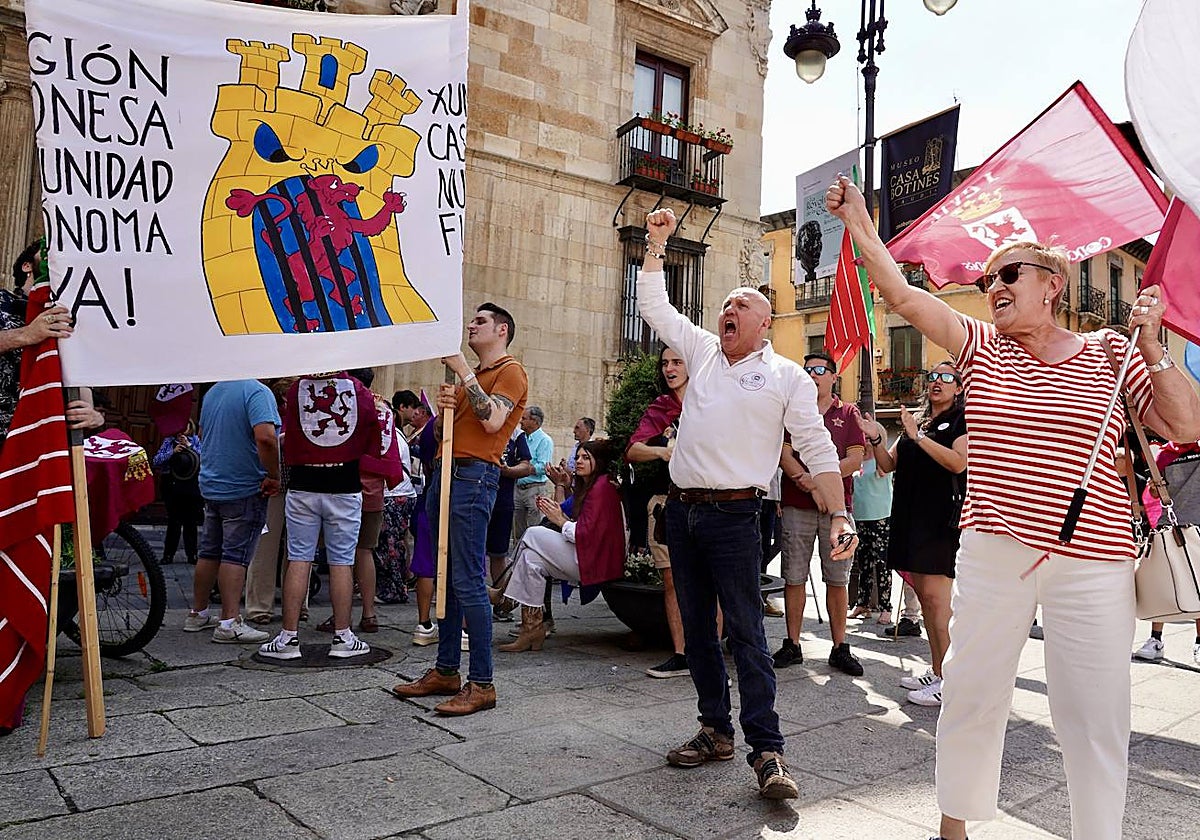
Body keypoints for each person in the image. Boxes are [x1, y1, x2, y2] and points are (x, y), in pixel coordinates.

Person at [827, 175, 1200, 840]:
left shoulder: (1112, 351)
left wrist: (1152, 348)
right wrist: (860, 223)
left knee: (1095, 716)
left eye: (1008, 274)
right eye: (987, 279)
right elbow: (903, 294)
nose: (993, 286)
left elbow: (1186, 424)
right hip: (995, 552)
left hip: (1096, 561)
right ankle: (953, 830)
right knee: (972, 693)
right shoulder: (980, 345)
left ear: (1052, 284)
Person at [639, 207, 857, 800]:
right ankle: (715, 730)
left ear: (764, 323)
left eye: (740, 305)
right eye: (725, 305)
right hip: (683, 512)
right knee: (698, 633)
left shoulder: (786, 376)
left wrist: (839, 512)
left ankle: (767, 751)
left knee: (746, 633)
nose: (727, 311)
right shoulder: (702, 349)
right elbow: (654, 306)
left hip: (737, 516)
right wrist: (657, 245)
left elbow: (816, 446)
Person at [392, 302, 528, 717]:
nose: (471, 324)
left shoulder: (510, 371)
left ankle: (482, 682)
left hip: (474, 477)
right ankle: (447, 670)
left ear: (502, 330)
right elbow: (440, 435)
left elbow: (493, 421)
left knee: (468, 579)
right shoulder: (478, 378)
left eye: (480, 321)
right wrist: (444, 414)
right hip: (447, 474)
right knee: (447, 577)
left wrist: (463, 372)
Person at [862, 363, 967, 707]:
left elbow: (958, 462)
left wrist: (919, 437)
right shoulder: (918, 421)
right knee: (925, 600)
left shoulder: (960, 420)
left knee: (938, 604)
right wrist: (876, 437)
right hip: (911, 518)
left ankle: (951, 682)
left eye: (947, 377)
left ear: (958, 387)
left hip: (939, 521)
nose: (938, 382)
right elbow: (887, 465)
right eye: (933, 376)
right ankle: (938, 671)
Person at [259, 372, 380, 660]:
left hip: (304, 483)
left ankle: (288, 637)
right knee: (342, 561)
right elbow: (372, 437)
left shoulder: (297, 389)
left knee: (299, 558)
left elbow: (289, 433)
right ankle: (342, 636)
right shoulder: (359, 390)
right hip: (344, 482)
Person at [773, 351, 866, 676]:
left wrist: (820, 481)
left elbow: (855, 459)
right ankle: (792, 643)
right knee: (794, 576)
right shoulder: (793, 411)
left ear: (833, 377)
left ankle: (840, 646)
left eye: (819, 370)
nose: (812, 375)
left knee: (837, 579)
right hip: (797, 504)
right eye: (808, 370)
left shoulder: (849, 412)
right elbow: (784, 454)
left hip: (837, 509)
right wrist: (812, 484)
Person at [490, 439, 625, 651]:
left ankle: (503, 594)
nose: (578, 461)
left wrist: (560, 520)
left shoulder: (601, 488)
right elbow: (566, 512)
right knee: (530, 559)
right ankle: (532, 629)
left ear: (598, 462)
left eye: (586, 458)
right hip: (586, 556)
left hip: (594, 562)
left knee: (532, 534)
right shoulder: (589, 486)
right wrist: (558, 505)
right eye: (578, 457)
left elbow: (584, 534)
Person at [185, 379, 281, 645]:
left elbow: (202, 434)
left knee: (209, 551)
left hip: (213, 482)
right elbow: (266, 437)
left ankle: (198, 613)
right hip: (244, 485)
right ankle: (229, 622)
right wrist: (274, 474)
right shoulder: (257, 392)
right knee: (235, 555)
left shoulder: (214, 391)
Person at [627, 345, 692, 679]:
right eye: (665, 362)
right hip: (668, 502)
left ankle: (706, 657)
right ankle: (681, 655)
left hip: (712, 502)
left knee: (713, 582)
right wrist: (662, 452)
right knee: (671, 581)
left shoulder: (709, 399)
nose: (669, 368)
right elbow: (633, 450)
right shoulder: (661, 406)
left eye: (677, 361)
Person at [1132, 440, 1200, 665]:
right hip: (1168, 524)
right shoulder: (1164, 454)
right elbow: (1152, 493)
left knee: (1198, 585)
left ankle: (1199, 642)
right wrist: (1155, 486)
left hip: (1197, 524)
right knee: (1163, 581)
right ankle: (1155, 640)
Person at [487, 427, 533, 612]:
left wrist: (508, 470)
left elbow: (526, 466)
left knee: (499, 554)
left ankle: (500, 602)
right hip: (474, 499)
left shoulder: (516, 433)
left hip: (501, 502)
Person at [849, 452, 894, 625]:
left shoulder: (881, 459)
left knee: (882, 564)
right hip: (860, 516)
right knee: (863, 562)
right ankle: (862, 604)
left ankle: (885, 607)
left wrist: (877, 447)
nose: (865, 440)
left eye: (868, 438)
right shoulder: (855, 459)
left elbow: (885, 469)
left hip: (881, 515)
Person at [151, 423, 204, 565]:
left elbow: (205, 459)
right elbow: (156, 461)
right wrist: (172, 452)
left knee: (190, 521)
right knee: (174, 521)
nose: (182, 431)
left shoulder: (196, 441)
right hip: (173, 485)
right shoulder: (169, 441)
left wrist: (189, 446)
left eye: (185, 427)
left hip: (191, 485)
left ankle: (192, 554)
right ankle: (168, 554)